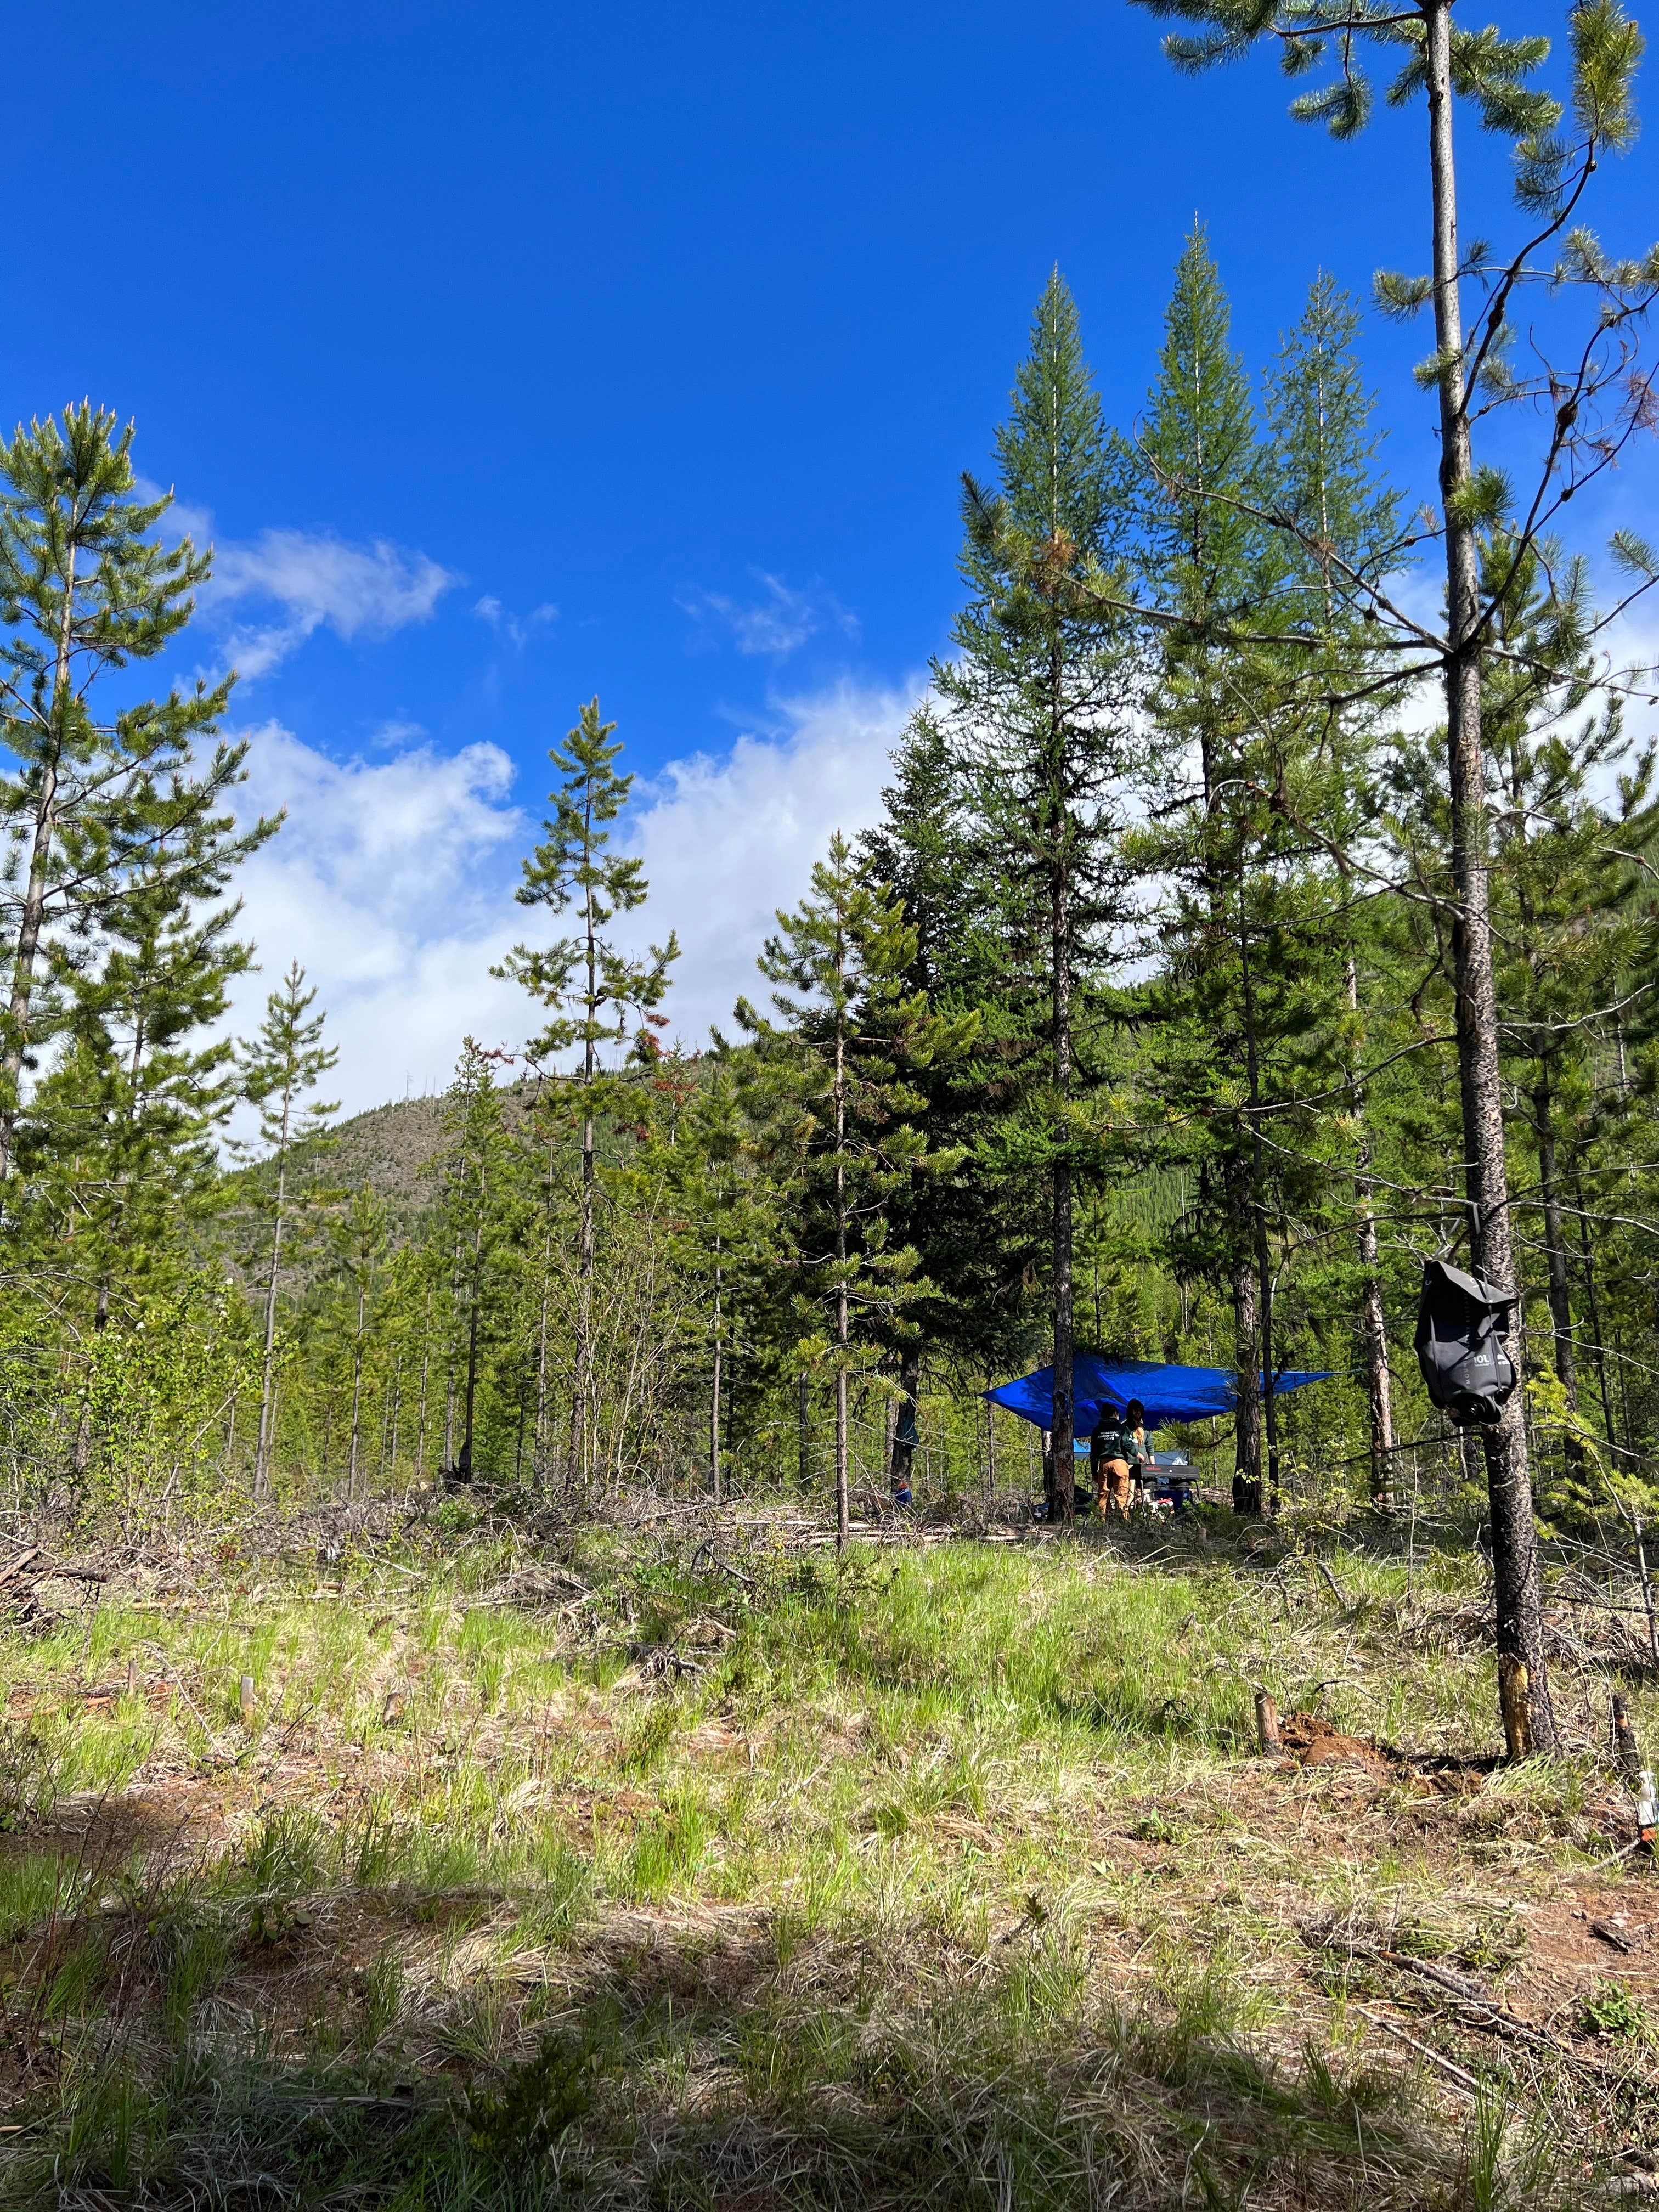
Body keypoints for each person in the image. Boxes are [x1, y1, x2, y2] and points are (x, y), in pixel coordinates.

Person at [1091, 1400, 1147, 1520]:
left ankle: (1101, 1521)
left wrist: (1094, 1472)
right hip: (1120, 1464)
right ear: (1116, 1414)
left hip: (1104, 1464)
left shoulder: (1097, 1431)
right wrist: (1138, 1454)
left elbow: (1094, 1454)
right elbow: (1128, 1445)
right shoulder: (1122, 1429)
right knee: (1122, 1494)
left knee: (1103, 1494)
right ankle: (1124, 1521)